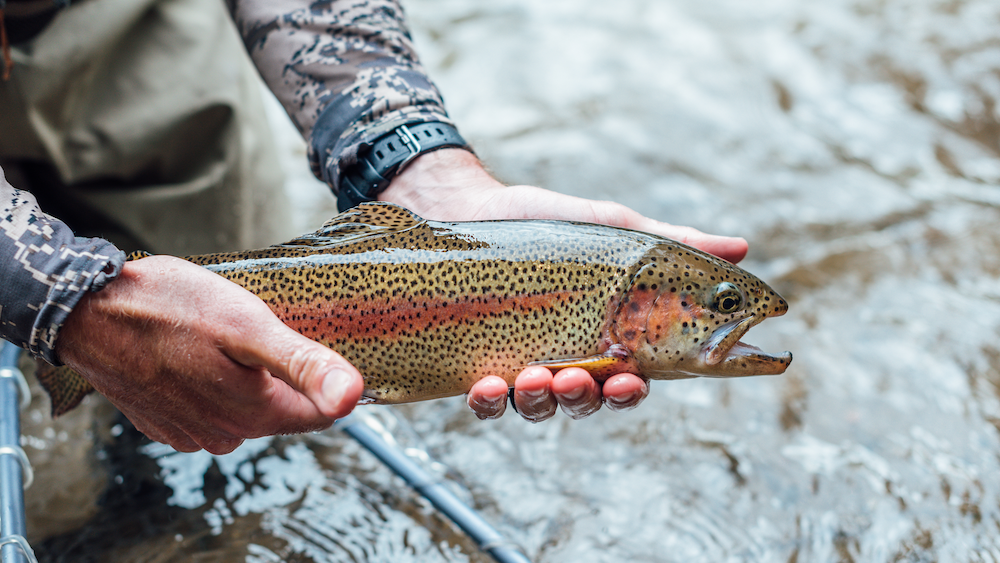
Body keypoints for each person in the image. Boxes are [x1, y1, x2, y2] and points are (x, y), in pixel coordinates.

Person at [0, 0, 748, 456]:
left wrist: (409, 157)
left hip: (108, 27)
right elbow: (58, 290)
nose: (731, 317)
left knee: (216, 377)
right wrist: (66, 299)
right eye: (719, 306)